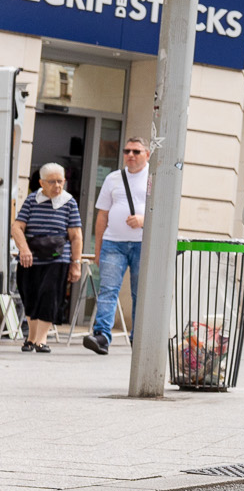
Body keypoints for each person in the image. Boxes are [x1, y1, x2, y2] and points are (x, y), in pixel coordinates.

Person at [84, 138, 149, 354]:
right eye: (127, 151)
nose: (130, 155)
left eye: (136, 151)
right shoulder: (113, 178)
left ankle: (138, 337)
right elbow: (102, 215)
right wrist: (98, 248)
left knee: (140, 293)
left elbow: (164, 212)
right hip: (113, 243)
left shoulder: (154, 178)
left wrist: (143, 220)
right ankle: (102, 336)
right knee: (108, 290)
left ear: (147, 154)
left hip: (143, 244)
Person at [12, 163, 82, 352]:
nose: (57, 186)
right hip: (31, 257)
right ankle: (31, 338)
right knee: (30, 296)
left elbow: (76, 236)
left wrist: (76, 263)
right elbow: (17, 227)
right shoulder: (31, 200)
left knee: (49, 296)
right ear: (41, 183)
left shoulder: (69, 202)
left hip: (57, 258)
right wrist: (24, 249)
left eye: (60, 181)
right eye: (52, 182)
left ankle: (41, 340)